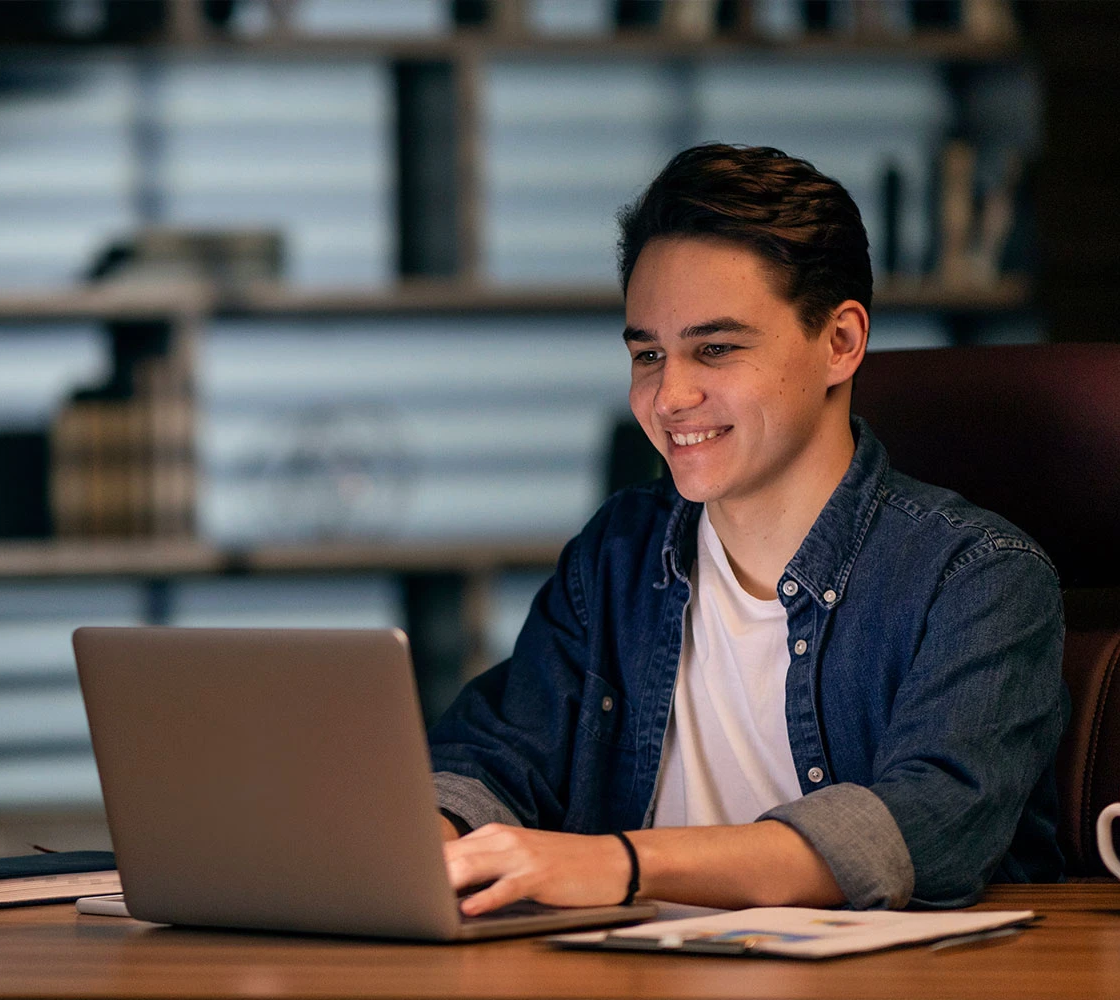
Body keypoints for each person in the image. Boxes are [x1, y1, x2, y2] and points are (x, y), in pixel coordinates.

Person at [429, 143, 1068, 914]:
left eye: (716, 349)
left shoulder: (978, 577)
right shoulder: (618, 554)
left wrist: (620, 864)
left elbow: (924, 827)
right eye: (649, 354)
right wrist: (426, 839)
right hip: (626, 967)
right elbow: (492, 759)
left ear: (841, 343)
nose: (669, 396)